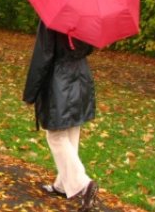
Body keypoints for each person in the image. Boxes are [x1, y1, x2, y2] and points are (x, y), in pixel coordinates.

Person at [23, 21, 98, 212]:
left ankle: (82, 183)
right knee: (72, 131)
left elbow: (43, 57)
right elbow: (89, 48)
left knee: (56, 136)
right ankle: (63, 185)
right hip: (81, 76)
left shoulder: (52, 20)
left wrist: (30, 93)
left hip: (60, 79)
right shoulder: (85, 17)